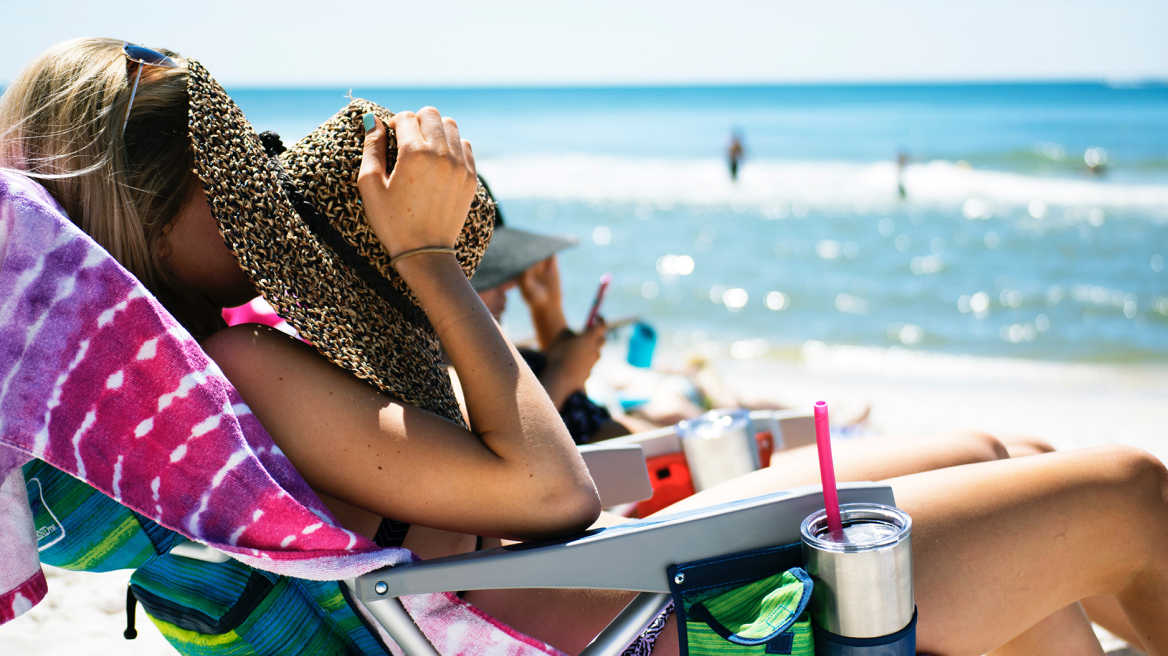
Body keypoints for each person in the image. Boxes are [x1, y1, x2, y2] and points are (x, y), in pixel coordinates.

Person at [1, 38, 1164, 656]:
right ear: (140, 215)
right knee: (1128, 492)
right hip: (620, 622)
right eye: (227, 180)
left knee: (1005, 485)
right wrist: (426, 258)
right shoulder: (239, 371)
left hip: (560, 598)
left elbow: (468, 503)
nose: (252, 191)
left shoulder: (163, 427)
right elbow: (549, 492)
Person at [469, 206, 655, 443]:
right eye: (488, 272)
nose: (509, 285)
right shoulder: (449, 375)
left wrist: (548, 309)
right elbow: (513, 442)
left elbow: (575, 416)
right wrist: (566, 372)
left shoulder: (483, 356)